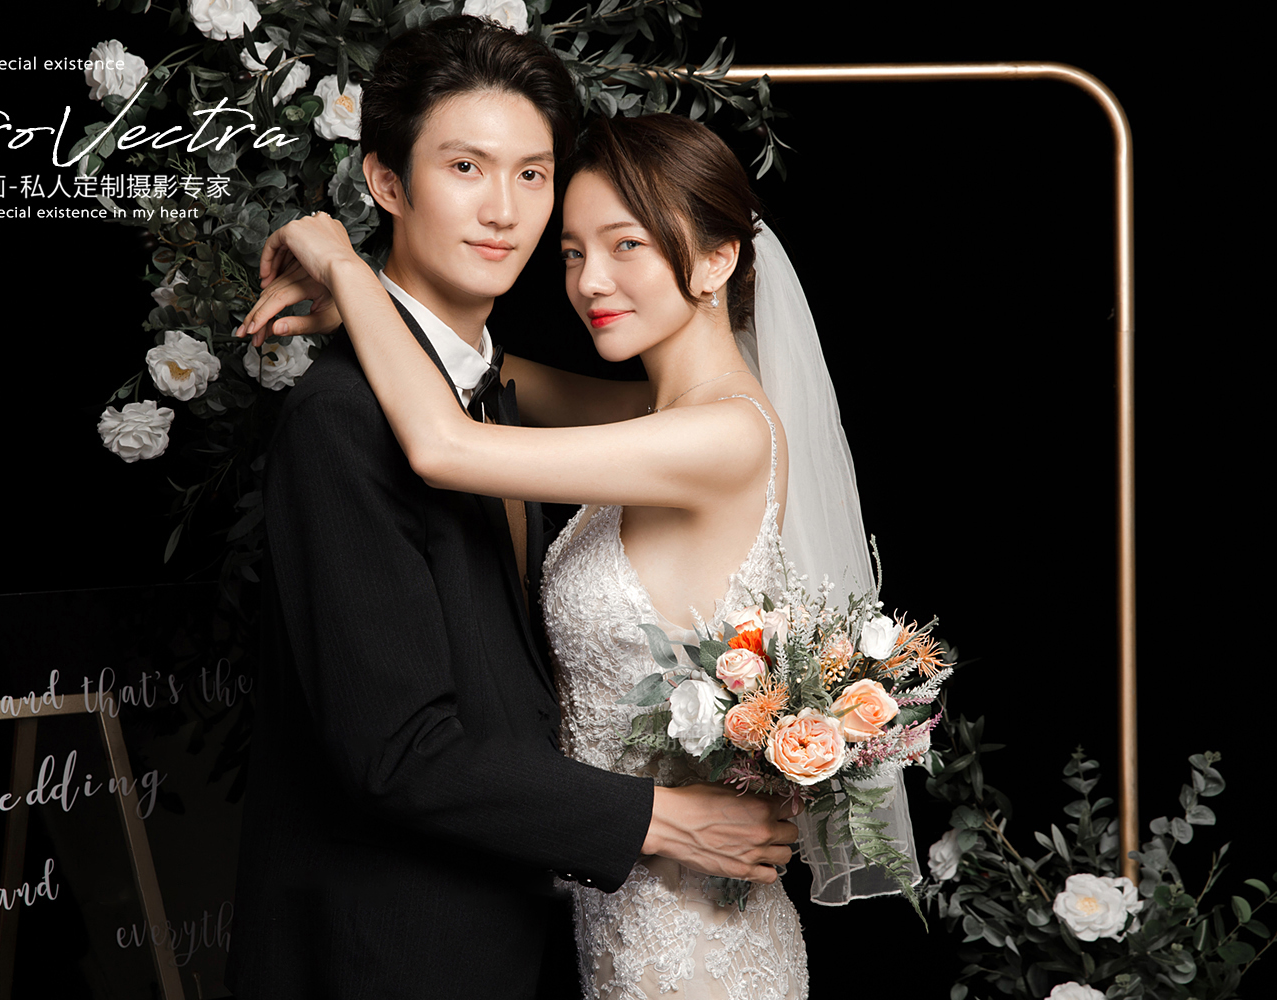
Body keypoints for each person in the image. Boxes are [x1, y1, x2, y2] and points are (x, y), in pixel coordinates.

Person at [245, 105, 879, 998]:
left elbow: (444, 445)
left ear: (716, 260)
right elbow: (478, 372)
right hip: (607, 908)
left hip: (695, 941)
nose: (590, 282)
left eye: (627, 246)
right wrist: (371, 319)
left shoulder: (726, 436)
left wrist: (346, 269)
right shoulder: (654, 416)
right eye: (574, 252)